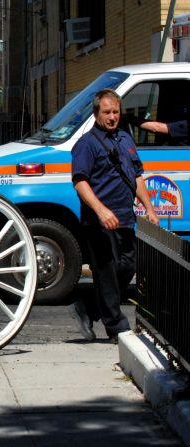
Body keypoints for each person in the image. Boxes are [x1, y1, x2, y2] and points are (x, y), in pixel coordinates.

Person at [69, 89, 159, 343]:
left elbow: (137, 176)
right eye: (106, 112)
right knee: (106, 271)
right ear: (96, 113)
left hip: (125, 217)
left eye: (115, 112)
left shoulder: (125, 139)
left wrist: (149, 208)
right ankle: (116, 327)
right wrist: (100, 210)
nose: (112, 117)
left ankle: (88, 306)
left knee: (127, 266)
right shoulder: (86, 144)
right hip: (99, 221)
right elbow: (80, 181)